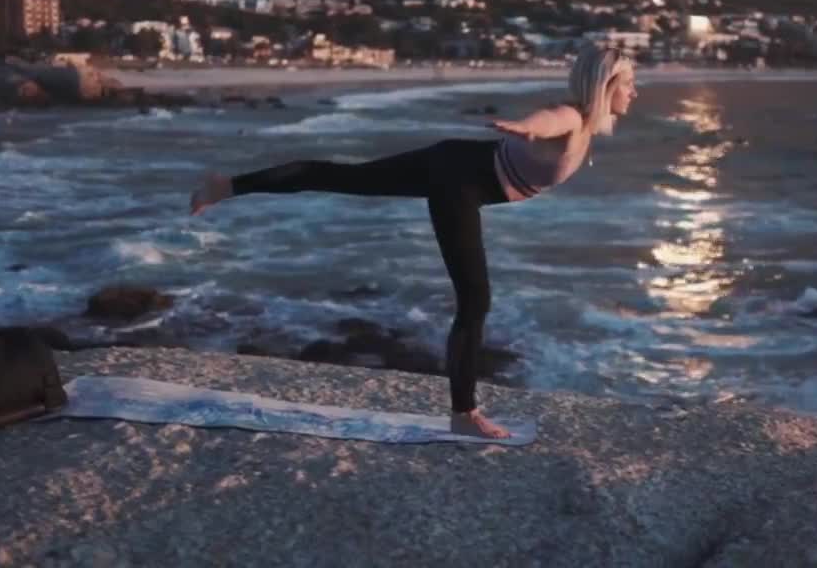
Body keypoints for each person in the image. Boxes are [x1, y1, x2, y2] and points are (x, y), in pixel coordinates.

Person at [189, 45, 639, 438]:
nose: (634, 93)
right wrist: (527, 127)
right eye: (629, 84)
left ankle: (225, 186)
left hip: (457, 162)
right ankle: (464, 413)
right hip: (458, 180)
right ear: (604, 86)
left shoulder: (584, 128)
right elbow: (549, 119)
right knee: (475, 298)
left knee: (342, 176)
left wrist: (527, 131)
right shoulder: (572, 119)